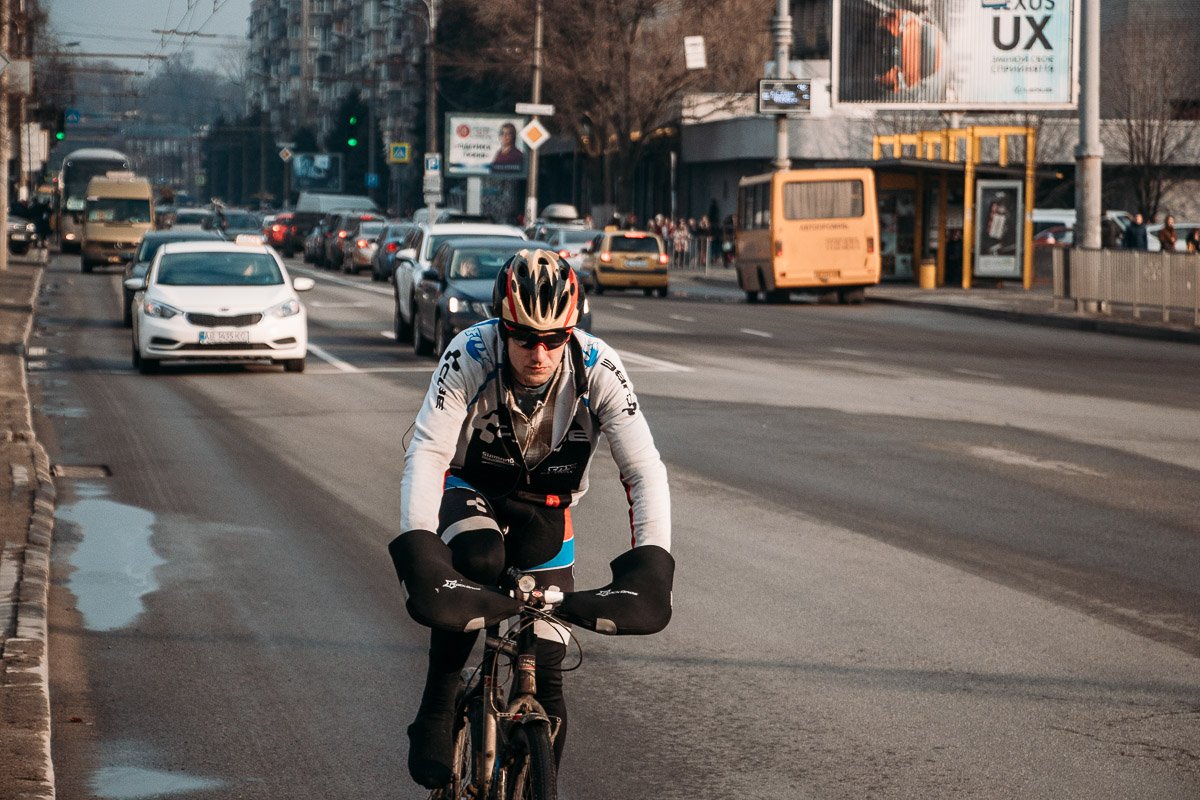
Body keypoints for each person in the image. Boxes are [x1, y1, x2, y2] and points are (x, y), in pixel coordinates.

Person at [389, 249, 672, 790]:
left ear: (572, 330)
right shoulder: (470, 351)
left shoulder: (599, 366)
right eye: (523, 338)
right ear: (502, 325)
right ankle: (438, 703)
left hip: (547, 507)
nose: (538, 353)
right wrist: (421, 548)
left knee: (547, 669)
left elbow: (643, 470)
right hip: (471, 488)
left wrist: (653, 563)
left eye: (553, 339)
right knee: (481, 558)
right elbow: (428, 452)